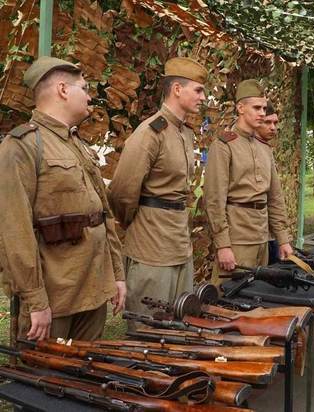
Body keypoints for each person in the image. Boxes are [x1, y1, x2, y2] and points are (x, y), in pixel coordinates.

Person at [0, 56, 126, 341]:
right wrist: (35, 300)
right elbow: (14, 231)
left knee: (85, 373)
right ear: (62, 90)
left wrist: (116, 275)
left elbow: (102, 214)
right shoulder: (23, 146)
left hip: (92, 288)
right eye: (84, 88)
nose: (90, 96)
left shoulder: (76, 144)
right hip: (55, 296)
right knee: (42, 378)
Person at [108, 57, 207, 330]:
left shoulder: (184, 133)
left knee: (180, 321)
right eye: (198, 90)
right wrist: (138, 224)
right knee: (148, 326)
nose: (203, 97)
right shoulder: (151, 132)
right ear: (177, 89)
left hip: (178, 241)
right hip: (151, 244)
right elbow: (121, 191)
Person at [203, 80, 292, 286]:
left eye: (263, 108)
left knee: (257, 297)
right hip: (237, 238)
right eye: (256, 108)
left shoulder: (264, 148)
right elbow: (214, 200)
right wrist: (223, 245)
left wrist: (283, 239)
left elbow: (275, 197)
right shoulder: (224, 145)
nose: (262, 113)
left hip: (262, 235)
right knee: (228, 298)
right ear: (240, 108)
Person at [256, 100, 284, 264]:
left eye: (275, 123)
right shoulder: (237, 147)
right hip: (247, 232)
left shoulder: (266, 149)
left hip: (267, 230)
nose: (273, 127)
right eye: (268, 122)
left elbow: (274, 196)